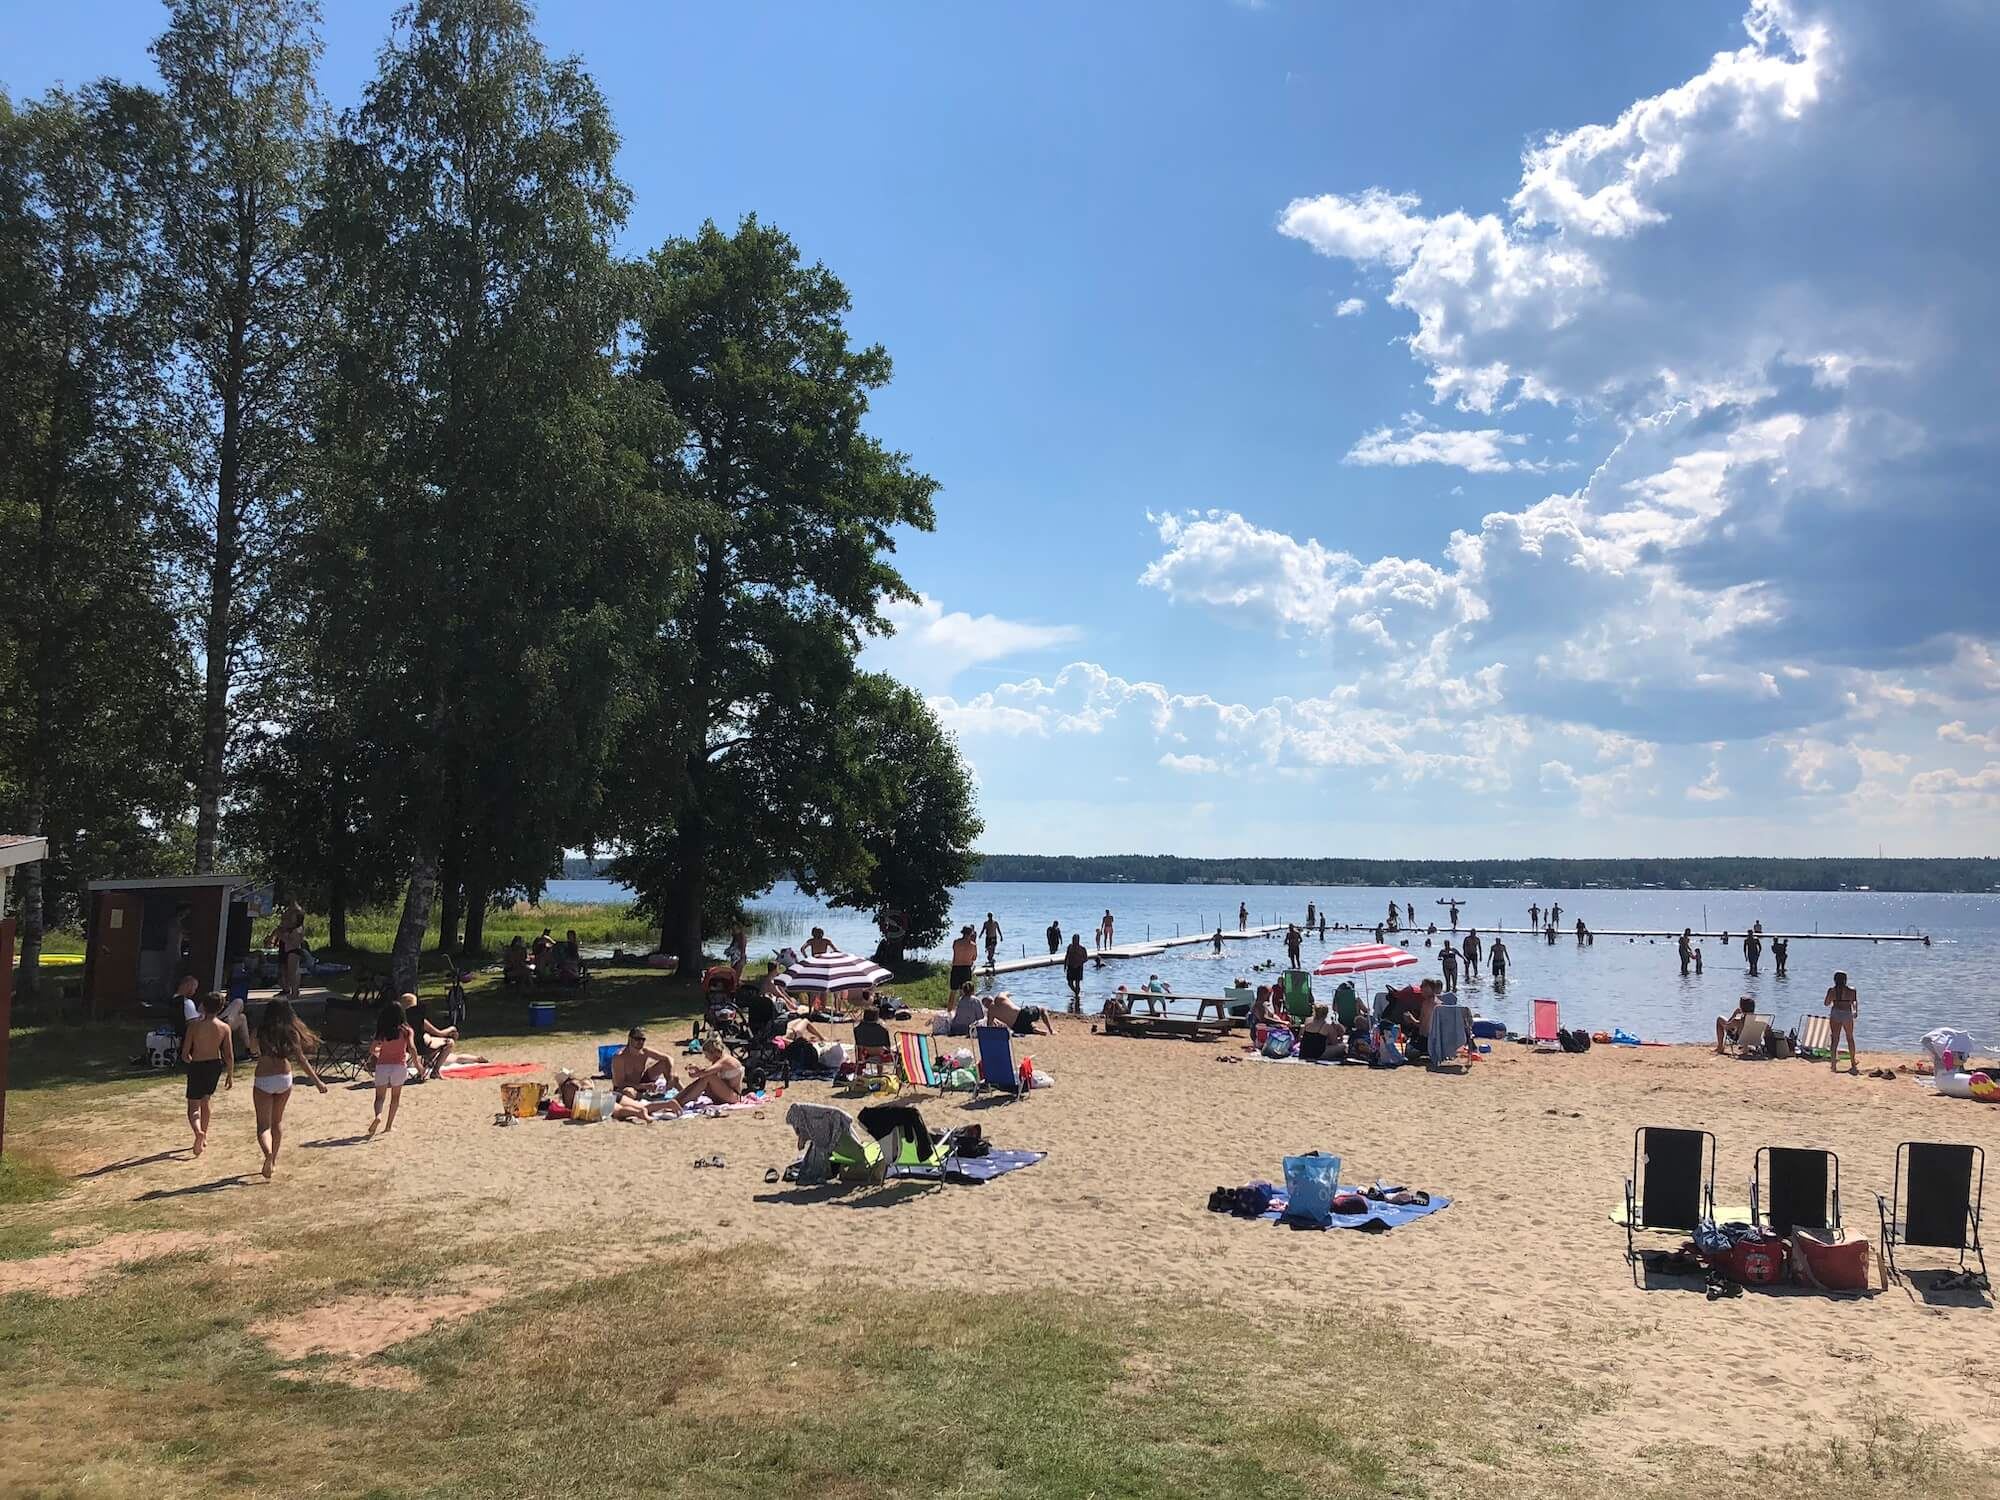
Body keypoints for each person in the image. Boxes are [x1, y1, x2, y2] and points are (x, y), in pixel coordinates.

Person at [251, 998, 325, 1179]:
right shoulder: (292, 1032)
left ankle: (267, 1153)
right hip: (284, 1078)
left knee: (263, 1126)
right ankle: (273, 1160)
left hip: (264, 1078)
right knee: (277, 1123)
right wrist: (317, 1082)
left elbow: (252, 1048)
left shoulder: (260, 1031)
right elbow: (301, 1060)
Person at [182, 992, 234, 1157]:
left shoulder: (194, 1026)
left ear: (203, 1006)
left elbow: (185, 1053)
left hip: (197, 1064)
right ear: (221, 1008)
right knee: (206, 1101)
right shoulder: (224, 1027)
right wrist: (230, 1074)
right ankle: (204, 1134)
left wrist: (190, 1061)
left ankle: (198, 1132)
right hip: (214, 1065)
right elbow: (229, 1054)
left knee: (193, 1106)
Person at [368, 998, 413, 1139]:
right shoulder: (406, 1031)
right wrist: (418, 1063)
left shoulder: (382, 1031)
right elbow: (412, 1048)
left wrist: (377, 1053)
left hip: (382, 1066)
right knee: (395, 1097)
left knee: (379, 1098)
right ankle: (388, 1126)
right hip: (399, 1066)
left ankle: (378, 1115)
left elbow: (372, 1049)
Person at [675, 1035, 747, 1107]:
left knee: (709, 1077)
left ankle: (681, 1102)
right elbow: (707, 1071)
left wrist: (694, 1074)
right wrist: (698, 1070)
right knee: (703, 1079)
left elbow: (706, 1072)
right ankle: (676, 1099)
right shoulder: (718, 1061)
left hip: (734, 1096)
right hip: (723, 1094)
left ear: (713, 1053)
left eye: (707, 1055)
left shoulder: (725, 1060)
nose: (706, 1058)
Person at [404, 992, 458, 1080]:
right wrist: (451, 1028)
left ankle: (424, 1067)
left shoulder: (400, 1021)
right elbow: (439, 1033)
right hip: (422, 1047)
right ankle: (435, 1071)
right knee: (450, 1043)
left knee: (428, 1038)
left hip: (407, 1048)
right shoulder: (420, 1021)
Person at [612, 1027, 677, 1092]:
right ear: (630, 1039)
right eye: (637, 1039)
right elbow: (620, 1083)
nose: (640, 1042)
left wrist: (671, 1074)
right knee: (628, 1092)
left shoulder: (644, 1052)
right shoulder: (620, 1057)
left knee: (669, 1070)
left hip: (641, 1082)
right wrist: (643, 1086)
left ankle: (683, 1096)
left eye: (643, 1039)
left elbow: (669, 1058)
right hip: (625, 1087)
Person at [1824, 971, 1859, 1076]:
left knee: (1835, 1038)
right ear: (1845, 979)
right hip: (1847, 1013)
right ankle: (1853, 1063)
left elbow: (1826, 1003)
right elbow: (1854, 1002)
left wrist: (1832, 997)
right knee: (1850, 1038)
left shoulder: (1832, 990)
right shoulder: (1852, 990)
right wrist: (1856, 1011)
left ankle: (1833, 1064)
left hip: (1835, 1013)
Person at [270, 903, 306, 999]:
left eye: (293, 917)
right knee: (286, 972)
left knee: (293, 972)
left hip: (293, 951)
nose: (291, 919)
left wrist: (281, 936)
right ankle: (287, 989)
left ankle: (295, 992)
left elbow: (293, 942)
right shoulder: (290, 928)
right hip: (287, 950)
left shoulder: (298, 929)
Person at [984, 991, 1054, 1037]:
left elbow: (989, 1026)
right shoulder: (999, 997)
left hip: (1016, 1027)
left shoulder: (990, 1012)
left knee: (1029, 1027)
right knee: (1042, 1009)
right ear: (992, 999)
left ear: (985, 1006)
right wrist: (1008, 996)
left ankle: (1035, 1030)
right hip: (1022, 1015)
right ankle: (1051, 1030)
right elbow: (1007, 993)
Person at [1064, 934, 1089, 1010]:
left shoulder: (1082, 949)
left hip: (1078, 967)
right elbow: (1067, 956)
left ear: (1078, 940)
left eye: (1075, 939)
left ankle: (1077, 998)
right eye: (1073, 939)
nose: (1074, 941)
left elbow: (1086, 958)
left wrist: (1079, 962)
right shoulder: (1070, 947)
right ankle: (1076, 994)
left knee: (1077, 983)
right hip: (1071, 967)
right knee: (1069, 983)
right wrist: (1065, 965)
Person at [949, 926, 977, 992]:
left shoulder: (956, 942)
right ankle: (963, 1002)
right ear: (971, 934)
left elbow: (954, 950)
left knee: (953, 990)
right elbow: (974, 958)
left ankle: (951, 1002)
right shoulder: (973, 945)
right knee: (966, 991)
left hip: (956, 967)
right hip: (966, 969)